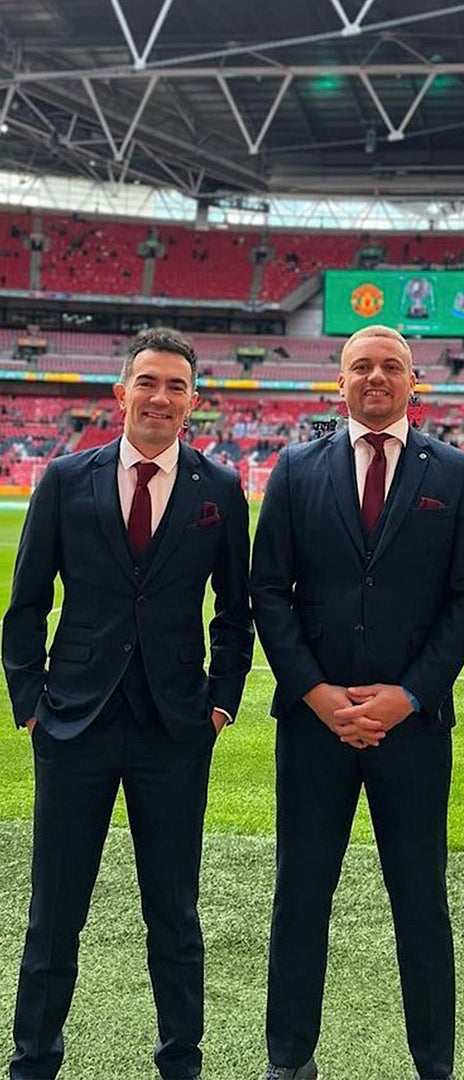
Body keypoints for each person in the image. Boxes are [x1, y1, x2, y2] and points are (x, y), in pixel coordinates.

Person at [2, 328, 254, 1080]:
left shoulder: (221, 490)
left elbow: (234, 613)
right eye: (148, 382)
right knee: (55, 913)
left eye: (177, 386)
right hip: (73, 720)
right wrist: (28, 704)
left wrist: (220, 704)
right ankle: (32, 1060)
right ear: (121, 393)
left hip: (174, 727)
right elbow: (26, 603)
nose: (161, 397)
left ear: (194, 404)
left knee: (174, 913)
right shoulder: (65, 479)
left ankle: (181, 1061)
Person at [251, 324, 464, 1080]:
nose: (377, 377)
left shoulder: (456, 474)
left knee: (421, 901)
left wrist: (411, 694)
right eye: (363, 366)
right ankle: (290, 1059)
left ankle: (435, 1063)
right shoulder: (295, 469)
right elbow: (268, 592)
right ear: (341, 380)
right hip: (314, 727)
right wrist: (317, 694)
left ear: (415, 382)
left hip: (414, 730)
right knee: (300, 896)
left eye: (391, 366)